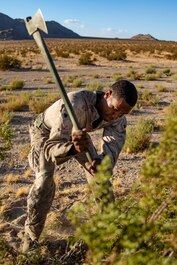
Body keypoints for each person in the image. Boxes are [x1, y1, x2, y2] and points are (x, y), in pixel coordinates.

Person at [22, 79, 138, 252]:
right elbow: (51, 149)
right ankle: (30, 239)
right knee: (44, 182)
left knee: (100, 179)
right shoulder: (75, 103)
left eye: (121, 113)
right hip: (47, 136)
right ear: (107, 95)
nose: (115, 116)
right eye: (114, 109)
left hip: (79, 136)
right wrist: (72, 148)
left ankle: (113, 233)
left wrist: (101, 163)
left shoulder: (119, 119)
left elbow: (111, 152)